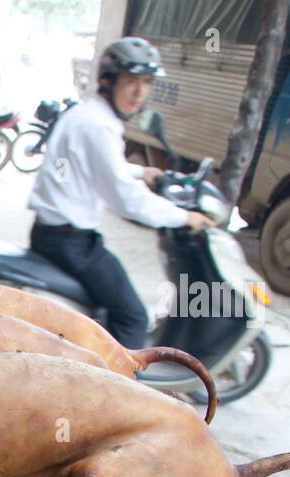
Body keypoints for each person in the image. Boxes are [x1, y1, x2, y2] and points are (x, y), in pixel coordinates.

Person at [26, 36, 214, 349]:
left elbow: (95, 168)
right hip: (70, 242)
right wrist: (185, 217)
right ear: (108, 81)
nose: (139, 93)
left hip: (56, 233)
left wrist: (142, 172)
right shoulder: (98, 125)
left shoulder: (89, 115)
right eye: (130, 81)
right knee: (133, 317)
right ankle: (118, 392)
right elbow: (127, 200)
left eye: (146, 82)